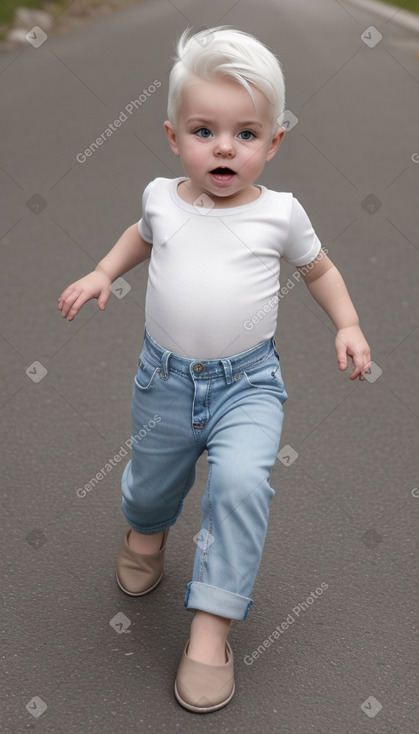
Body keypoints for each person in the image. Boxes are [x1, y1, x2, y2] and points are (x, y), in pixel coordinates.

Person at [58, 26, 371, 713]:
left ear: (273, 142)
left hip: (248, 385)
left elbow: (319, 271)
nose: (224, 147)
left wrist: (345, 324)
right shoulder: (161, 199)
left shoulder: (280, 215)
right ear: (173, 137)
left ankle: (210, 627)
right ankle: (146, 532)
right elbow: (137, 238)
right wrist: (103, 271)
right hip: (164, 382)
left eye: (245, 133)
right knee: (150, 482)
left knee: (238, 484)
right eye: (205, 130)